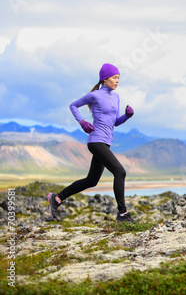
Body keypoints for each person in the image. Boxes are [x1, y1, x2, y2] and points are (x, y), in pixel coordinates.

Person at [47, 63, 135, 223]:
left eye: (118, 78)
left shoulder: (116, 97)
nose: (117, 81)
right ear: (105, 78)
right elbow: (73, 105)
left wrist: (126, 116)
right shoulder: (95, 95)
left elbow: (115, 122)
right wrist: (82, 122)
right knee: (120, 172)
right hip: (96, 141)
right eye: (115, 78)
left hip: (106, 142)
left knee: (92, 180)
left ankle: (57, 198)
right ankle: (122, 214)